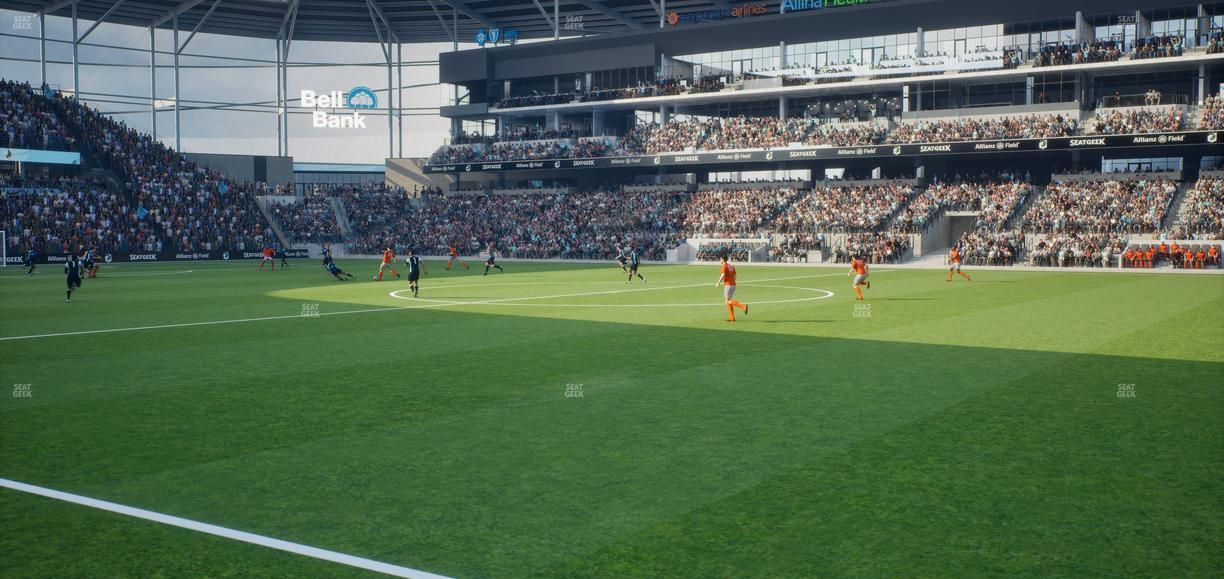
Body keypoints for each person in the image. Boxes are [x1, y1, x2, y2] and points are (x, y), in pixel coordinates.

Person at [715, 254, 748, 322]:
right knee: (728, 301)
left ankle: (743, 306)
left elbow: (723, 275)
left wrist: (718, 283)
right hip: (733, 285)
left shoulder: (724, 265)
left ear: (723, 259)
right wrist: (732, 281)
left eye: (720, 259)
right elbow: (735, 276)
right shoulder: (731, 266)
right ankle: (732, 317)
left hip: (728, 285)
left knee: (727, 301)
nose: (720, 260)